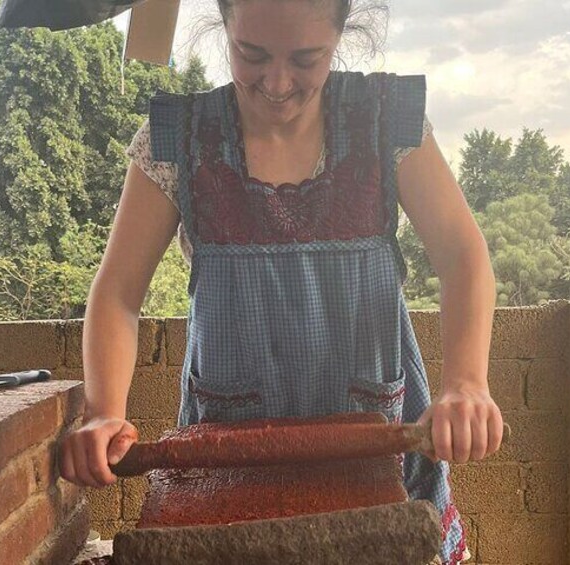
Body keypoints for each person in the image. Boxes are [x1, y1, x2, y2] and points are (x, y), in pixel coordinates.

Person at [59, 0, 504, 562]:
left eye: (306, 58)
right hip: (228, 462)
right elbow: (120, 292)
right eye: (252, 54)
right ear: (225, 26)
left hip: (378, 452)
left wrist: (466, 383)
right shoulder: (178, 140)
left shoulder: (385, 121)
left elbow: (464, 257)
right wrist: (104, 409)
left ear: (342, 36)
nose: (276, 82)